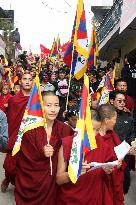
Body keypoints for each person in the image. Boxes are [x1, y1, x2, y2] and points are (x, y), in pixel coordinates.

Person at [15, 91, 74, 205]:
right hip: (33, 181)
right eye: (48, 105)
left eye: (56, 105)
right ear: (41, 106)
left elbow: (74, 146)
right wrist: (41, 152)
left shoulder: (64, 129)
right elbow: (23, 158)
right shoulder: (30, 130)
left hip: (53, 185)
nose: (53, 110)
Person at [56, 109, 119, 205]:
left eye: (97, 130)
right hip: (70, 199)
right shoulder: (67, 143)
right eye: (91, 129)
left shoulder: (102, 145)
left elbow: (111, 167)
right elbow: (59, 180)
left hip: (93, 197)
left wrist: (108, 170)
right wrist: (74, 172)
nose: (94, 134)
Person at [1, 72, 33, 192]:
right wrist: (11, 136)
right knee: (11, 165)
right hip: (16, 135)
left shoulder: (36, 100)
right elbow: (11, 120)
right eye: (25, 79)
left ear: (33, 82)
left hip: (31, 135)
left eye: (30, 79)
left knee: (27, 165)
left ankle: (23, 186)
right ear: (20, 82)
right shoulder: (14, 100)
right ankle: (8, 178)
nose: (27, 81)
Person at [97, 104, 126, 205]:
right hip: (100, 181)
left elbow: (118, 153)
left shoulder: (112, 135)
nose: (115, 122)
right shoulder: (93, 138)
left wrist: (120, 160)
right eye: (114, 119)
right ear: (106, 120)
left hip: (114, 178)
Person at [109, 90, 135, 194]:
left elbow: (132, 134)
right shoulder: (105, 117)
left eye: (124, 101)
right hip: (110, 158)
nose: (122, 103)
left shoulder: (129, 118)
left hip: (125, 159)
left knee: (124, 188)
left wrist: (133, 145)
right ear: (111, 101)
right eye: (119, 101)